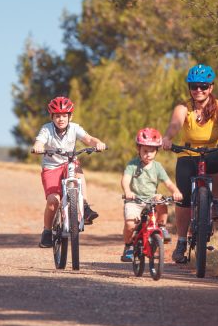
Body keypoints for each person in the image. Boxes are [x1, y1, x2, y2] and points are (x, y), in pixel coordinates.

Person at [161, 64, 218, 264]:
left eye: (203, 86)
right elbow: (175, 125)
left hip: (213, 151)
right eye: (194, 86)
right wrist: (167, 138)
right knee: (183, 198)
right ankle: (181, 242)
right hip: (188, 154)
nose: (198, 90)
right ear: (189, 88)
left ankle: (216, 202)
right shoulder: (183, 108)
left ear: (211, 87)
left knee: (216, 162)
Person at [31, 96, 106, 248]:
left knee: (78, 170)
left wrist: (98, 143)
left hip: (69, 163)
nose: (61, 119)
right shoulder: (47, 129)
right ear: (52, 116)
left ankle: (84, 206)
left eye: (64, 115)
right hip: (51, 167)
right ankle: (47, 231)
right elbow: (40, 141)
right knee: (53, 201)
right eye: (57, 116)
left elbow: (88, 139)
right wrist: (38, 146)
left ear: (70, 116)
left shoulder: (74, 128)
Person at [120, 128, 183, 262]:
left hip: (151, 200)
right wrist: (127, 191)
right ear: (138, 149)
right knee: (130, 224)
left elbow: (168, 183)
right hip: (134, 200)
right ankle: (128, 246)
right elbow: (125, 179)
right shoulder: (132, 164)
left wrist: (175, 192)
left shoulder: (157, 167)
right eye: (145, 151)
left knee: (161, 201)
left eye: (152, 151)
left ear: (156, 151)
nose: (148, 154)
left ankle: (161, 228)